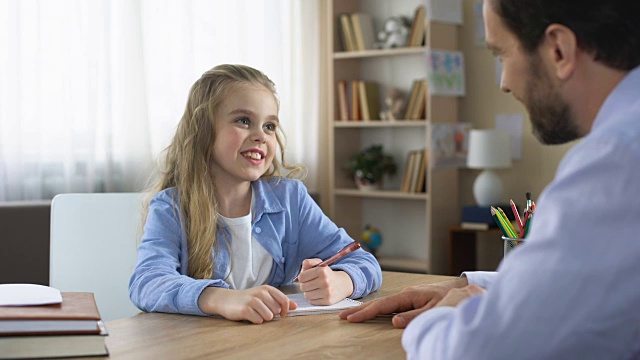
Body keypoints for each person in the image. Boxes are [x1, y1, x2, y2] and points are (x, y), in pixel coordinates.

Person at [341, 0, 640, 358]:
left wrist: (437, 320)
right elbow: (602, 277)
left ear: (559, 49)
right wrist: (478, 288)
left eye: (501, 55)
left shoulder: (616, 163)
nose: (504, 83)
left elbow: (478, 351)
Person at [129, 64, 382, 324]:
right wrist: (220, 299)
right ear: (204, 130)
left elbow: (364, 261)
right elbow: (147, 282)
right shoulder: (171, 207)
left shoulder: (290, 199)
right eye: (243, 121)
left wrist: (342, 281)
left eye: (270, 126)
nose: (260, 136)